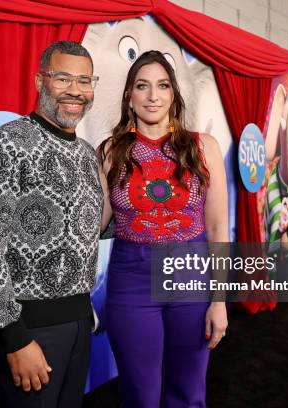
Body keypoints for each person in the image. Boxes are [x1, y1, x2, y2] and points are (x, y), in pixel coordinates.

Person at [0, 41, 102, 408]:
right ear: (40, 81)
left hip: (78, 326)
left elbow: (86, 233)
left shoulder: (88, 154)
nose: (75, 90)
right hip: (29, 333)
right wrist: (15, 338)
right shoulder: (8, 143)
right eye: (63, 78)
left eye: (84, 81)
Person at [97, 50, 229, 408]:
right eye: (142, 86)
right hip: (131, 280)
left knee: (188, 393)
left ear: (173, 94)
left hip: (190, 276)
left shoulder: (203, 147)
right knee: (139, 395)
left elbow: (218, 228)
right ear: (129, 96)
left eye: (162, 86)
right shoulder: (111, 152)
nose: (153, 96)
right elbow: (95, 225)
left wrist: (219, 300)